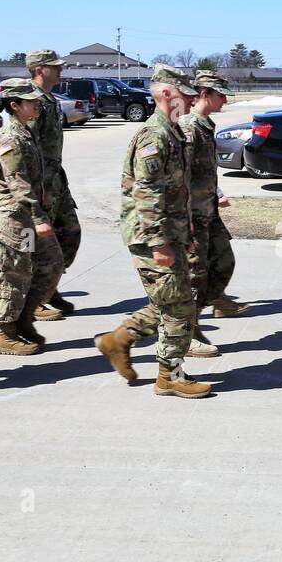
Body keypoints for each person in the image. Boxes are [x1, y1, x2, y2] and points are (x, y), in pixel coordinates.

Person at [94, 64, 212, 397]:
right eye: (184, 96)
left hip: (169, 233)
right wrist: (161, 241)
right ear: (164, 93)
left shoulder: (173, 131)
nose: (189, 102)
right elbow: (146, 193)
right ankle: (169, 376)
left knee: (168, 301)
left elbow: (176, 190)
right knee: (178, 306)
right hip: (152, 236)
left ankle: (118, 340)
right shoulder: (154, 134)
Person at [0, 79, 63, 356]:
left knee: (47, 265)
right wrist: (38, 216)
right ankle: (6, 333)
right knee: (13, 273)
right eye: (30, 101)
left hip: (27, 217)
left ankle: (22, 319)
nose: (37, 104)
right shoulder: (11, 137)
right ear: (14, 105)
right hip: (14, 218)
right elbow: (17, 182)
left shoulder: (25, 131)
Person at [180, 70, 243, 355]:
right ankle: (186, 332)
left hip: (209, 210)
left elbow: (205, 170)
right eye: (220, 95)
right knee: (194, 275)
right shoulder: (190, 128)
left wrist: (216, 194)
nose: (224, 100)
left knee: (223, 262)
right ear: (204, 94)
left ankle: (206, 309)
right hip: (193, 214)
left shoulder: (206, 125)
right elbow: (181, 174)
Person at [26, 49, 81, 319]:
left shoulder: (50, 99)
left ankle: (50, 286)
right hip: (41, 184)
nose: (60, 70)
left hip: (56, 178)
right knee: (39, 243)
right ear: (39, 69)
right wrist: (38, 189)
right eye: (54, 67)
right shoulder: (32, 101)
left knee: (70, 232)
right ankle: (35, 297)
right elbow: (29, 147)